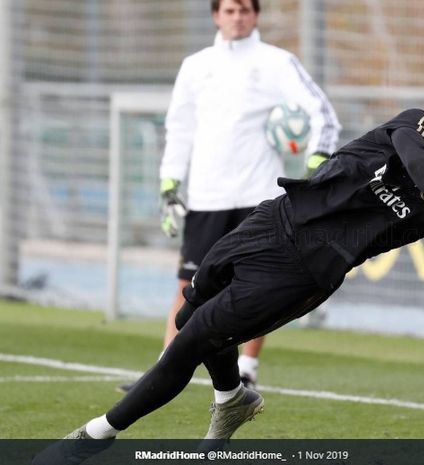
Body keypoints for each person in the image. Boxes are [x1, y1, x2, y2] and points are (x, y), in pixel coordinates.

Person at [33, 102, 424, 464]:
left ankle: (92, 437)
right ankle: (232, 398)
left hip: (305, 270)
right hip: (277, 219)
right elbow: (418, 163)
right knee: (190, 310)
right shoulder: (422, 127)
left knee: (193, 338)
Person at [118, 0, 341, 393]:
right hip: (206, 195)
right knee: (189, 284)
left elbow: (322, 111)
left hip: (259, 196)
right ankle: (164, 368)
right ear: (215, 15)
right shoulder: (196, 66)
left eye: (244, 10)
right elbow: (180, 127)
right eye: (229, 10)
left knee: (261, 285)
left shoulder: (277, 62)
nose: (237, 17)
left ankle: (248, 367)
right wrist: (169, 184)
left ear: (255, 15)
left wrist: (317, 162)